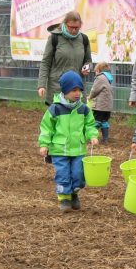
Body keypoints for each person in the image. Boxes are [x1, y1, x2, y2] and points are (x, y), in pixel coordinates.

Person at [37, 70, 98, 212]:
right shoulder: (55, 108)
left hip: (78, 149)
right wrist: (44, 144)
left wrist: (93, 135)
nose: (77, 93)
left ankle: (74, 194)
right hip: (59, 150)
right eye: (73, 90)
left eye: (79, 90)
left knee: (78, 174)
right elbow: (46, 128)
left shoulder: (83, 109)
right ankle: (64, 199)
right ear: (65, 91)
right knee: (63, 174)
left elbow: (89, 124)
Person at [36, 12, 92, 105]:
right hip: (57, 88)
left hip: (77, 89)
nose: (74, 30)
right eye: (71, 27)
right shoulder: (54, 38)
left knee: (77, 118)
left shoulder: (84, 39)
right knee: (58, 118)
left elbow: (88, 60)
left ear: (80, 25)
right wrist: (41, 85)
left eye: (76, 28)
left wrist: (87, 67)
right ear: (65, 24)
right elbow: (45, 62)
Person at [88, 62, 114, 143]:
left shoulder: (100, 78)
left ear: (98, 70)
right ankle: (105, 139)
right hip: (108, 106)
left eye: (96, 71)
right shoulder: (108, 78)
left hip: (100, 105)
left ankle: (93, 138)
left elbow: (95, 90)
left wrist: (90, 96)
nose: (95, 73)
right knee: (104, 121)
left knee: (96, 121)